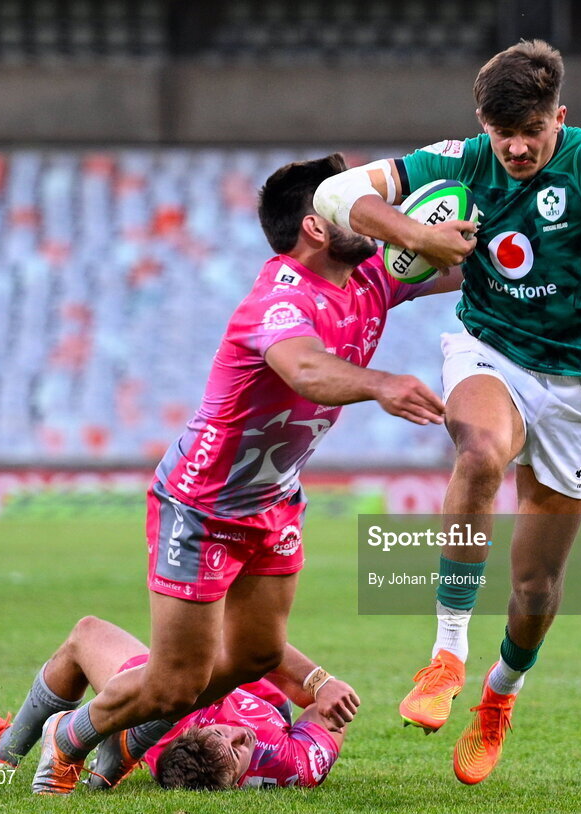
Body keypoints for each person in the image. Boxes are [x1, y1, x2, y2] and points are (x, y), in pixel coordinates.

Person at [313, 39, 581, 784]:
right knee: (479, 451)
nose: (518, 148)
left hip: (578, 388)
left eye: (532, 132)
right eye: (504, 135)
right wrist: (413, 234)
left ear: (561, 117)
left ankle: (499, 697)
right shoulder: (458, 160)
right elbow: (335, 198)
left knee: (534, 588)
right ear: (482, 125)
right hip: (488, 348)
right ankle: (446, 653)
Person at [25, 152, 459, 795]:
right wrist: (381, 383)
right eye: (351, 201)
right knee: (177, 680)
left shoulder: (368, 275)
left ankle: (118, 734)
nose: (373, 215)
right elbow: (306, 370)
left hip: (273, 498)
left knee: (255, 655)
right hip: (201, 504)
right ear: (317, 224)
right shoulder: (278, 297)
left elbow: (458, 266)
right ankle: (71, 736)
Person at [0, 616, 358, 790]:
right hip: (256, 696)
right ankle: (112, 761)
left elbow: (237, 642)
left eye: (226, 738)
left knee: (87, 634)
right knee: (251, 655)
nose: (241, 734)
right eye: (240, 749)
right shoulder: (294, 765)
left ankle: (5, 748)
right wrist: (318, 685)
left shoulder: (181, 724)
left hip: (172, 710)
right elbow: (331, 713)